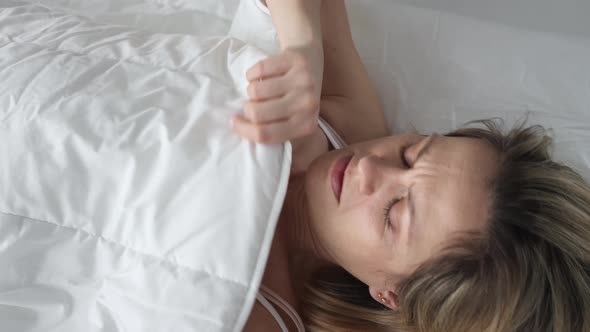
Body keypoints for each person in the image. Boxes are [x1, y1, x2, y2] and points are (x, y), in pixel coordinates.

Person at [230, 1, 590, 331]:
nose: (368, 167)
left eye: (394, 213)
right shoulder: (348, 126)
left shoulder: (252, 316)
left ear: (393, 295)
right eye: (409, 153)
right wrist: (303, 46)